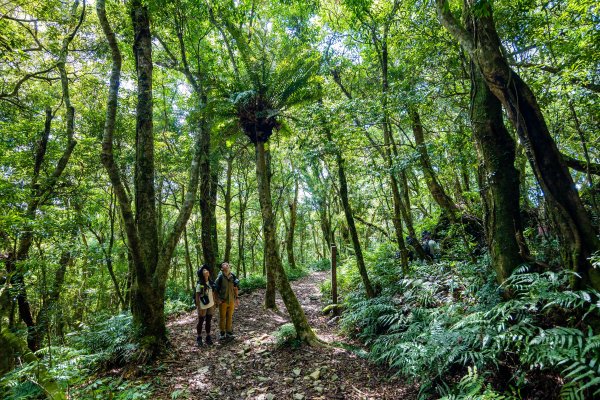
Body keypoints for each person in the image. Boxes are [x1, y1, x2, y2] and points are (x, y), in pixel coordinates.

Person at [214, 261, 240, 341]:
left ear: (229, 267)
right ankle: (222, 333)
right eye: (224, 265)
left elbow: (236, 288)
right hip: (223, 301)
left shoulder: (233, 276)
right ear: (222, 268)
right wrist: (217, 300)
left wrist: (237, 298)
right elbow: (215, 290)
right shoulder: (220, 278)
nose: (226, 265)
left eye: (227, 265)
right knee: (222, 318)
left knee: (229, 317)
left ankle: (229, 332)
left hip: (231, 300)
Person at [196, 264, 216, 347]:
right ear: (201, 273)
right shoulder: (200, 284)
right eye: (204, 270)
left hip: (211, 304)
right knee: (201, 321)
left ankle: (208, 336)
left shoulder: (211, 283)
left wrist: (214, 303)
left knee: (208, 320)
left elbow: (213, 294)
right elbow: (197, 296)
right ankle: (199, 337)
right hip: (202, 305)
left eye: (207, 270)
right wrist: (198, 307)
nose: (206, 271)